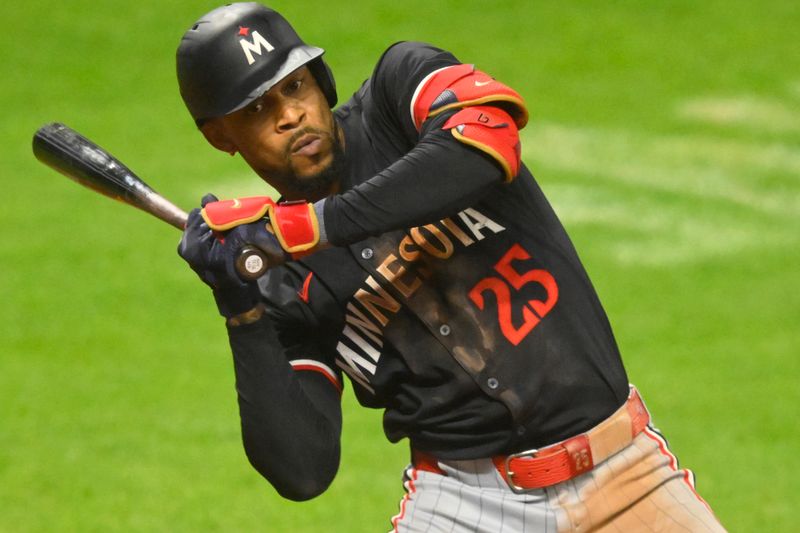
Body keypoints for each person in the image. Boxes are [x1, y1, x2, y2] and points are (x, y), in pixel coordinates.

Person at [176, 3, 725, 531]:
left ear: (321, 79)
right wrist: (241, 309)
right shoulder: (281, 281)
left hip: (625, 472)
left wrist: (312, 226)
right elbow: (302, 471)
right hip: (466, 507)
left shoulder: (399, 94)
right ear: (221, 137)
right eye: (256, 110)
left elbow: (488, 137)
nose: (291, 115)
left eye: (295, 86)